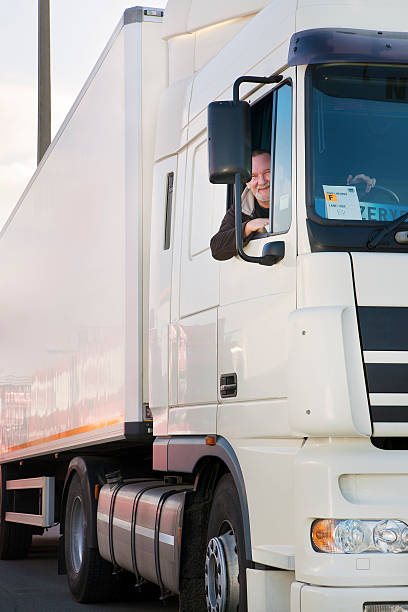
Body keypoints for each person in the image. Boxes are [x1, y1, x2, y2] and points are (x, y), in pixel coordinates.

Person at [210, 150, 272, 261]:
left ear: (280, 172)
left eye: (267, 172)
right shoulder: (242, 208)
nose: (262, 182)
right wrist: (248, 227)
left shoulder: (299, 195)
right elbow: (217, 248)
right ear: (246, 183)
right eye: (254, 176)